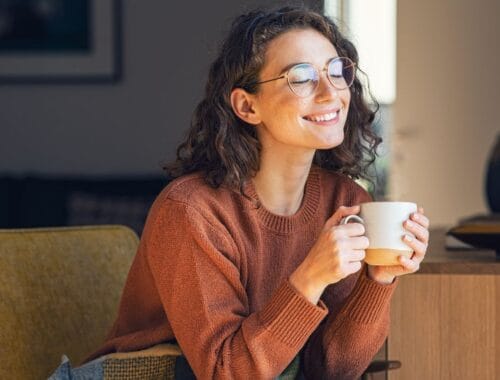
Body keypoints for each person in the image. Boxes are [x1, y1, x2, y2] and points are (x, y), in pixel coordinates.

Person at [55, 5, 430, 379]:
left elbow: (327, 370)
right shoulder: (190, 211)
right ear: (247, 106)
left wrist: (378, 279)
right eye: (301, 77)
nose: (330, 91)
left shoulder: (345, 202)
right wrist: (309, 278)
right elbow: (224, 373)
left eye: (336, 71)